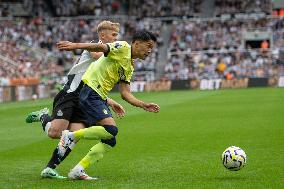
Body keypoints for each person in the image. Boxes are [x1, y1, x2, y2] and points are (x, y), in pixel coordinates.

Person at [25, 20, 125, 179]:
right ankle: (43, 115)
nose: (115, 38)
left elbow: (96, 84)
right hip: (70, 93)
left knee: (74, 134)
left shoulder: (107, 56)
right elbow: (97, 54)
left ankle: (50, 168)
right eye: (113, 35)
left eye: (117, 35)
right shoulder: (95, 45)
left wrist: (110, 102)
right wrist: (118, 54)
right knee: (55, 132)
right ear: (102, 35)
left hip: (85, 99)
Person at [56, 30, 160, 180]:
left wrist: (143, 105)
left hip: (99, 96)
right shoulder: (123, 47)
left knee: (110, 140)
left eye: (152, 48)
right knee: (111, 129)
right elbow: (101, 47)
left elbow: (125, 93)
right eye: (148, 46)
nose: (150, 51)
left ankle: (78, 170)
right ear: (137, 43)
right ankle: (70, 136)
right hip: (91, 91)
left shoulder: (129, 66)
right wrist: (75, 45)